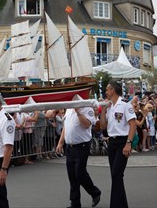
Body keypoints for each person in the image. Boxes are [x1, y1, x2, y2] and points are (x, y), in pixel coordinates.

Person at [100, 80, 136, 208]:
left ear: (112, 90)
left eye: (107, 89)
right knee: (116, 176)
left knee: (116, 174)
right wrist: (103, 110)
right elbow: (103, 125)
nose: (105, 92)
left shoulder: (125, 105)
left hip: (122, 142)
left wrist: (128, 143)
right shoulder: (109, 106)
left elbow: (133, 125)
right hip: (112, 142)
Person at [56, 105, 101, 208]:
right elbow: (66, 127)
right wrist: (60, 142)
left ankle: (95, 192)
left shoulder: (87, 108)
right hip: (70, 146)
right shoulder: (68, 109)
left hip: (82, 146)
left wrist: (78, 112)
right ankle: (75, 203)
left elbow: (87, 124)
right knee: (72, 175)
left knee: (79, 173)